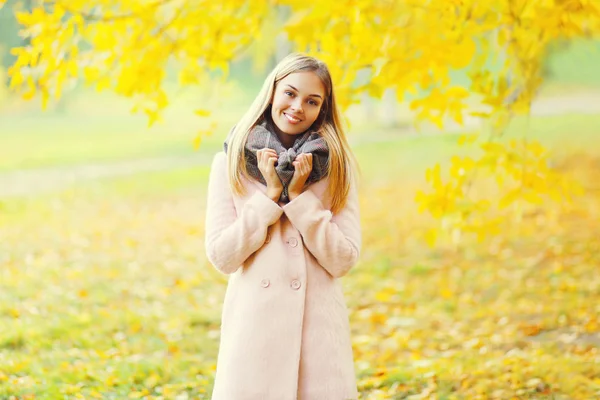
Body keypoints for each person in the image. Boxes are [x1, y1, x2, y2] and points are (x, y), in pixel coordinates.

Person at [204, 52, 362, 400]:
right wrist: (270, 198)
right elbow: (222, 256)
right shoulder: (230, 162)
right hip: (255, 333)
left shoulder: (337, 168)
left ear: (323, 109)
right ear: (272, 91)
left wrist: (301, 199)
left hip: (317, 335)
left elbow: (343, 259)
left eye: (311, 101)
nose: (297, 107)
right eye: (290, 93)